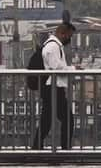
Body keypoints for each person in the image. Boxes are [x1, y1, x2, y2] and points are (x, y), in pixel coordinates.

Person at [32, 17, 76, 149]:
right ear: (63, 34)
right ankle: (65, 148)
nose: (70, 39)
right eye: (69, 36)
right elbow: (57, 69)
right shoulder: (52, 47)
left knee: (48, 120)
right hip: (53, 88)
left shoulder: (54, 46)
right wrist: (73, 69)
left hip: (54, 88)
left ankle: (37, 146)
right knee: (67, 120)